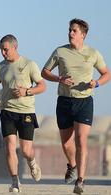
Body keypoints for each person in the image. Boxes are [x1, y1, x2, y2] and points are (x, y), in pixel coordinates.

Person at [41, 18, 110, 194]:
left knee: (81, 140)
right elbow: (44, 72)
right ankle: (72, 165)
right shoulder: (60, 51)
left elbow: (106, 74)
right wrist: (59, 78)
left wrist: (97, 83)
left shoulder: (93, 53)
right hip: (64, 101)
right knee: (66, 144)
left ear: (83, 35)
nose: (70, 33)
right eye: (70, 30)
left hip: (84, 101)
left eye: (74, 31)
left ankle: (80, 180)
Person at [0, 34, 46, 193]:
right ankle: (15, 182)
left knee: (26, 150)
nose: (3, 53)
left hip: (26, 112)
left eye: (5, 50)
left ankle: (32, 163)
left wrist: (27, 91)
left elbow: (42, 86)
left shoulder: (29, 64)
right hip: (7, 112)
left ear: (15, 48)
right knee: (10, 148)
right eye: (1, 50)